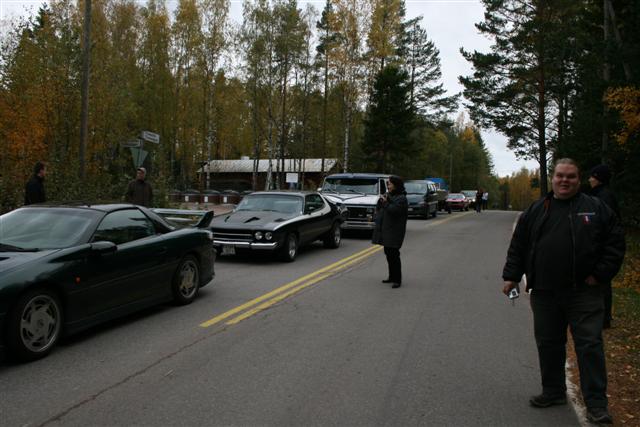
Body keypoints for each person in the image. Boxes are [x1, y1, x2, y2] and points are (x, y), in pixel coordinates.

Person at [502, 158, 625, 425]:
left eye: (570, 176)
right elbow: (519, 244)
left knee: (589, 346)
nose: (564, 180)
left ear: (578, 180)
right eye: (560, 176)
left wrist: (599, 275)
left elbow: (615, 243)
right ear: (553, 178)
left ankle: (596, 404)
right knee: (548, 343)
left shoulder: (596, 208)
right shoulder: (537, 209)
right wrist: (511, 276)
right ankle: (553, 391)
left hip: (584, 292)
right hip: (544, 292)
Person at [588, 164, 621, 329]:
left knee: (602, 281)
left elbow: (606, 224)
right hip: (600, 244)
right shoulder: (600, 194)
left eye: (592, 177)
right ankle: (601, 316)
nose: (589, 179)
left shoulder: (604, 197)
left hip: (602, 245)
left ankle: (604, 318)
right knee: (601, 283)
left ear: (598, 178)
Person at [372, 175, 408, 289]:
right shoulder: (390, 196)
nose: (388, 186)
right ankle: (391, 276)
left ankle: (397, 280)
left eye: (390, 184)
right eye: (388, 184)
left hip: (395, 231)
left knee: (394, 255)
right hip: (387, 230)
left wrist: (386, 203)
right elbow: (383, 209)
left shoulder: (402, 198)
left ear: (396, 185)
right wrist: (381, 202)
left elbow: (394, 210)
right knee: (388, 254)